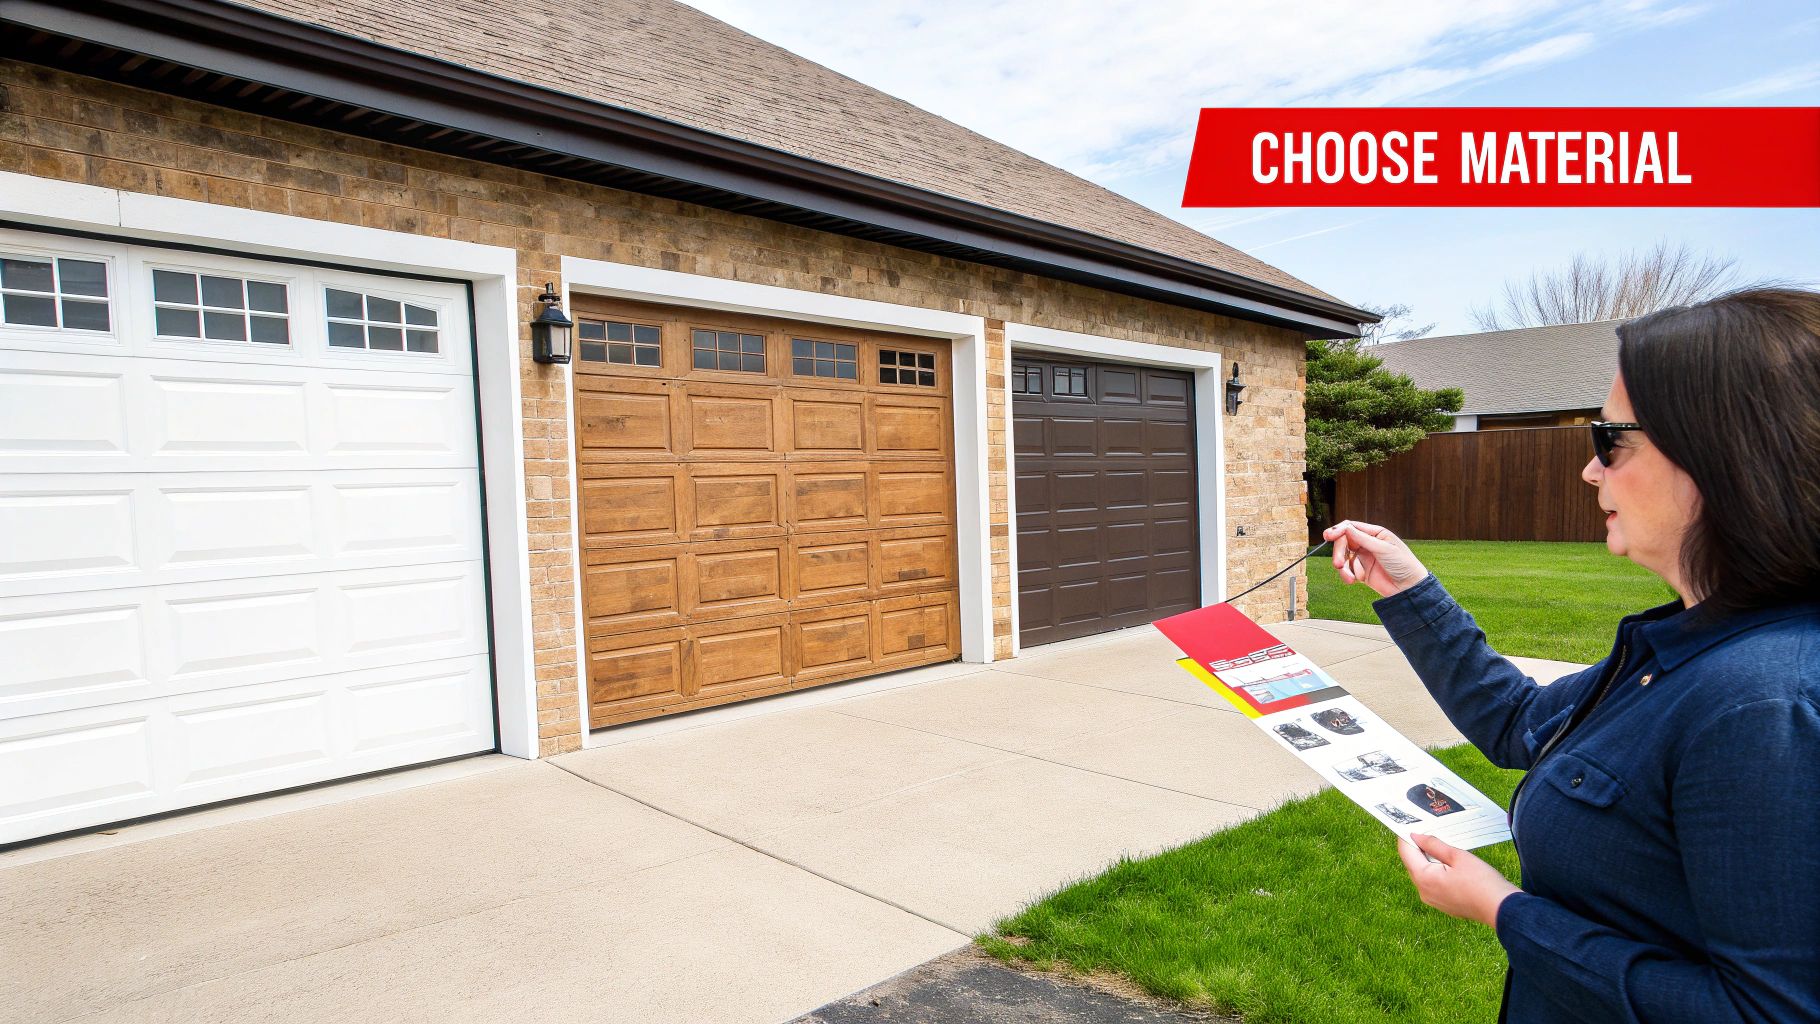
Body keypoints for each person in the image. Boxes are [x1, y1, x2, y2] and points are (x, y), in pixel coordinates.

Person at [1321, 287, 1820, 1023]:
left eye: (1610, 441)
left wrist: (1506, 912)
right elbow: (1524, 723)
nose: (1591, 470)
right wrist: (1410, 588)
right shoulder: (1685, 646)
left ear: (1722, 454)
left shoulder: (1762, 705)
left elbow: (1766, 1013)